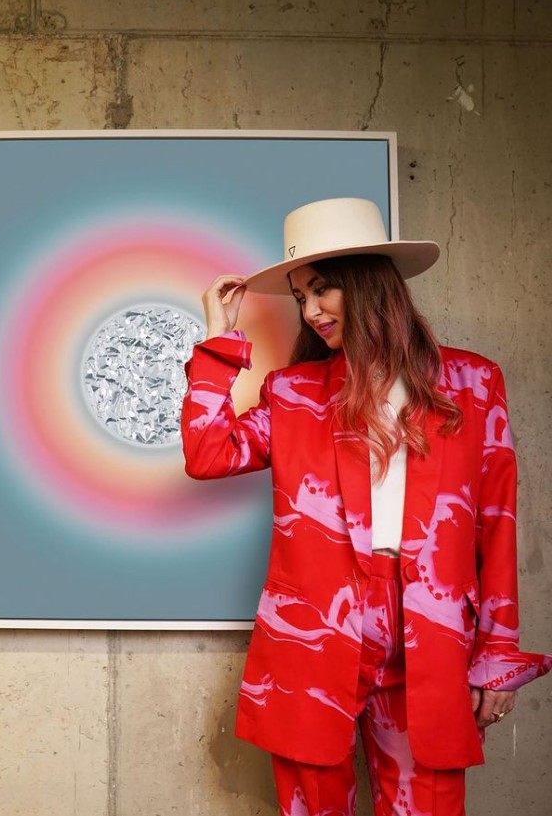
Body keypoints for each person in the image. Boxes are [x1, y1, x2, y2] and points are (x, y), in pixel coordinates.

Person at [180, 197, 551, 816]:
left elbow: (497, 523)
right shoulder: (293, 392)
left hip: (432, 630)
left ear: (371, 284)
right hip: (314, 626)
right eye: (300, 296)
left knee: (426, 804)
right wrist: (219, 341)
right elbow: (209, 452)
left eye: (323, 290)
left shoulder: (474, 384)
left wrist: (496, 655)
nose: (311, 310)